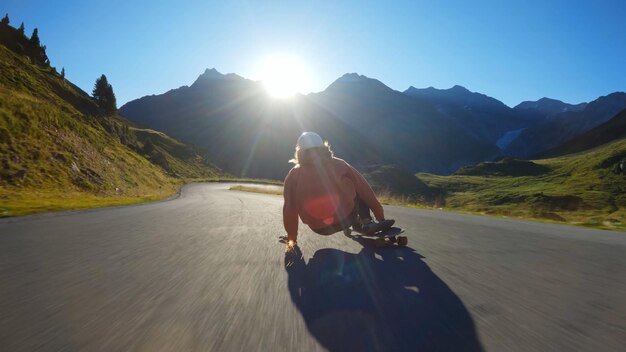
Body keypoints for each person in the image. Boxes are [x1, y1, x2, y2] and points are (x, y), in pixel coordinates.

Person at [282, 132, 395, 250]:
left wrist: (291, 238)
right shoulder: (339, 164)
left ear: (300, 152)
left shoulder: (293, 175)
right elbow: (365, 189)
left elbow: (289, 209)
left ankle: (357, 224)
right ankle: (366, 221)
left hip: (319, 228)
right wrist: (380, 217)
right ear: (323, 147)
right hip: (347, 218)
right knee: (357, 188)